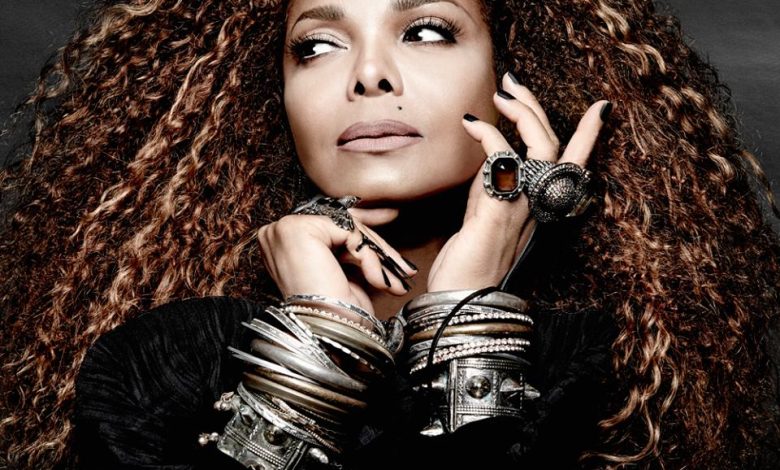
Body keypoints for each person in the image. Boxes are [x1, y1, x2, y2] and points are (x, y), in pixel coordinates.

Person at [1, 0, 779, 468]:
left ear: (511, 77)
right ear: (275, 97)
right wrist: (318, 340)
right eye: (316, 45)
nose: (369, 75)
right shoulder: (163, 365)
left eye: (427, 31)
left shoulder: (623, 375)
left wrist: (468, 310)